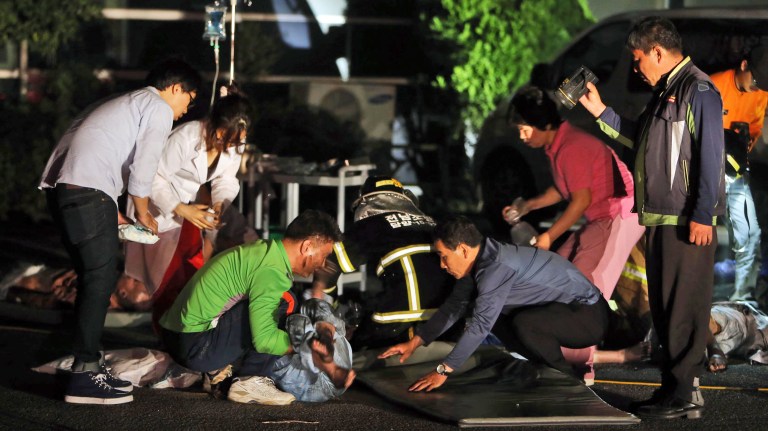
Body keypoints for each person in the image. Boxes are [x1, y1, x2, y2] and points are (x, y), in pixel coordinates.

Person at [579, 17, 725, 419]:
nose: (636, 67)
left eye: (638, 58)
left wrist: (702, 215)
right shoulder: (666, 93)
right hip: (660, 219)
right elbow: (637, 145)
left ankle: (685, 394)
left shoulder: (698, 90)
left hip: (684, 221)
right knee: (665, 311)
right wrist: (599, 112)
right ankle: (673, 392)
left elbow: (711, 158)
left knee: (683, 310)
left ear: (658, 51)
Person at [38, 58, 201, 405]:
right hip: (86, 191)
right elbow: (144, 167)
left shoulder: (123, 103)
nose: (186, 109)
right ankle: (84, 372)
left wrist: (116, 215)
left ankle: (86, 363)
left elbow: (95, 155)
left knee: (92, 279)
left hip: (64, 189)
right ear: (174, 88)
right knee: (99, 280)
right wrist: (143, 212)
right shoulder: (156, 106)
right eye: (189, 98)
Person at [503, 86, 645, 383]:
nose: (522, 136)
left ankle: (584, 367)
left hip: (618, 215)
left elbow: (579, 200)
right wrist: (527, 206)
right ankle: (556, 351)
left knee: (583, 289)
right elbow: (564, 189)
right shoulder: (558, 145)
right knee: (559, 273)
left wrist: (549, 236)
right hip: (600, 217)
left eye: (524, 129)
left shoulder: (572, 147)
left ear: (543, 125)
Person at [378, 215, 610, 390]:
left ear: (462, 250)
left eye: (443, 256)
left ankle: (568, 377)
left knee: (519, 322)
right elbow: (453, 308)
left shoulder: (495, 267)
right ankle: (546, 368)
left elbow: (480, 326)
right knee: (495, 315)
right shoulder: (481, 260)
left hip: (589, 316)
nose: (442, 265)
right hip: (562, 312)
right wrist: (415, 342)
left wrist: (443, 370)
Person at [158, 209, 343, 405]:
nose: (322, 263)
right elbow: (264, 340)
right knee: (286, 302)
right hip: (194, 347)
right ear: (307, 247)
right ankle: (250, 381)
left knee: (285, 301)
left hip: (176, 337)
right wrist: (307, 347)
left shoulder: (264, 251)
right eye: (324, 255)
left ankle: (220, 371)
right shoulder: (271, 272)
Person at [124, 86, 252, 331]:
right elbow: (152, 176)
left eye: (237, 141)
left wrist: (219, 204)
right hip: (156, 209)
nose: (229, 146)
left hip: (188, 211)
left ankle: (185, 335)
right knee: (166, 281)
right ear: (215, 126)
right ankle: (166, 338)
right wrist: (180, 208)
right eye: (224, 138)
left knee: (191, 276)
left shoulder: (236, 141)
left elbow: (226, 179)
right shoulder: (186, 137)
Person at [311, 176, 469, 349]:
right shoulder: (433, 223)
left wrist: (328, 312)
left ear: (366, 203)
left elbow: (328, 264)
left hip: (398, 326)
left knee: (353, 351)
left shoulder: (373, 224)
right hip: (449, 323)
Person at [709, 45, 768, 307]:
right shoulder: (713, 87)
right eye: (755, 81)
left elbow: (756, 126)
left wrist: (745, 143)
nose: (757, 89)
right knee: (699, 236)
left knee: (749, 234)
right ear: (743, 65)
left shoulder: (761, 92)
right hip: (704, 170)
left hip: (734, 171)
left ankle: (742, 299)